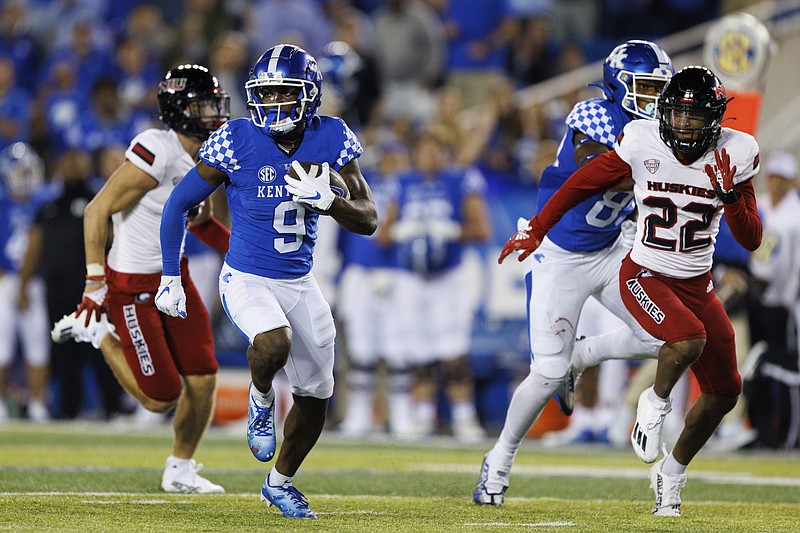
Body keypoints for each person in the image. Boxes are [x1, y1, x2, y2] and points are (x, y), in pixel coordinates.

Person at [498, 66, 763, 516]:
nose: (682, 125)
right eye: (676, 115)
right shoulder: (642, 140)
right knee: (688, 339)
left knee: (725, 391)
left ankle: (671, 474)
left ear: (715, 120)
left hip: (697, 283)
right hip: (644, 273)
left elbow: (752, 238)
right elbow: (583, 180)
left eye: (694, 117)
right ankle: (653, 402)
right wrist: (539, 228)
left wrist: (732, 195)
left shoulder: (737, 152)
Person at [156, 44, 377, 520]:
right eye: (266, 93)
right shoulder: (236, 138)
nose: (274, 104)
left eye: (285, 93)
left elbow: (369, 218)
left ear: (310, 95)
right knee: (274, 344)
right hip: (248, 276)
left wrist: (330, 203)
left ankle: (279, 483)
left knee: (317, 396)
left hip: (300, 282)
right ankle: (260, 400)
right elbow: (177, 203)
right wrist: (170, 276)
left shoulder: (333, 135)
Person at [473, 39, 672, 506]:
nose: (654, 99)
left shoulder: (659, 130)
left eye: (659, 89)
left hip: (610, 253)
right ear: (617, 85)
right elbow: (599, 171)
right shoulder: (593, 116)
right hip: (559, 254)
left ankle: (583, 358)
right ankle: (498, 460)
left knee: (662, 339)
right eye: (644, 87)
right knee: (545, 372)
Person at [51, 64, 232, 493]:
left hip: (174, 274)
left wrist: (247, 253)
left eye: (213, 102)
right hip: (132, 285)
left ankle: (180, 470)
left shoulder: (207, 155)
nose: (213, 112)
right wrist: (95, 286)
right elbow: (97, 210)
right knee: (160, 396)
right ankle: (97, 332)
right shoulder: (157, 149)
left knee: (204, 379)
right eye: (203, 104)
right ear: (179, 110)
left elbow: (201, 222)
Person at [379, 123, 491, 441]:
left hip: (449, 274)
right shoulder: (401, 182)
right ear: (416, 152)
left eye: (437, 149)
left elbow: (482, 229)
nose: (430, 155)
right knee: (418, 347)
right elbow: (383, 234)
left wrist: (453, 230)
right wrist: (403, 231)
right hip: (410, 275)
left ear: (447, 152)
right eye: (426, 148)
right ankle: (425, 415)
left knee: (453, 347)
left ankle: (464, 416)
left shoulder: (460, 179)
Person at [0, 142, 51, 422]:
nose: (25, 176)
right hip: (4, 279)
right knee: (1, 345)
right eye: (20, 171)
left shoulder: (43, 201)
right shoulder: (1, 202)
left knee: (37, 343)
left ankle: (38, 404)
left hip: (35, 281)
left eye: (29, 171)